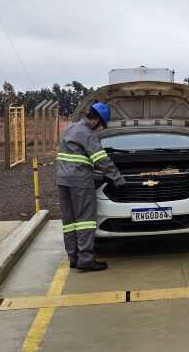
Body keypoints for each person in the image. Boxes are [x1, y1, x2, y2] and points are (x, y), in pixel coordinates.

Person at [56, 102, 125, 272]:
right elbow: (102, 160)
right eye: (101, 124)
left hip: (62, 180)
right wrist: (118, 179)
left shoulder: (69, 128)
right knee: (85, 220)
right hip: (80, 181)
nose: (99, 127)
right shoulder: (88, 134)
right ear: (97, 121)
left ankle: (73, 257)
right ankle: (86, 259)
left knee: (69, 221)